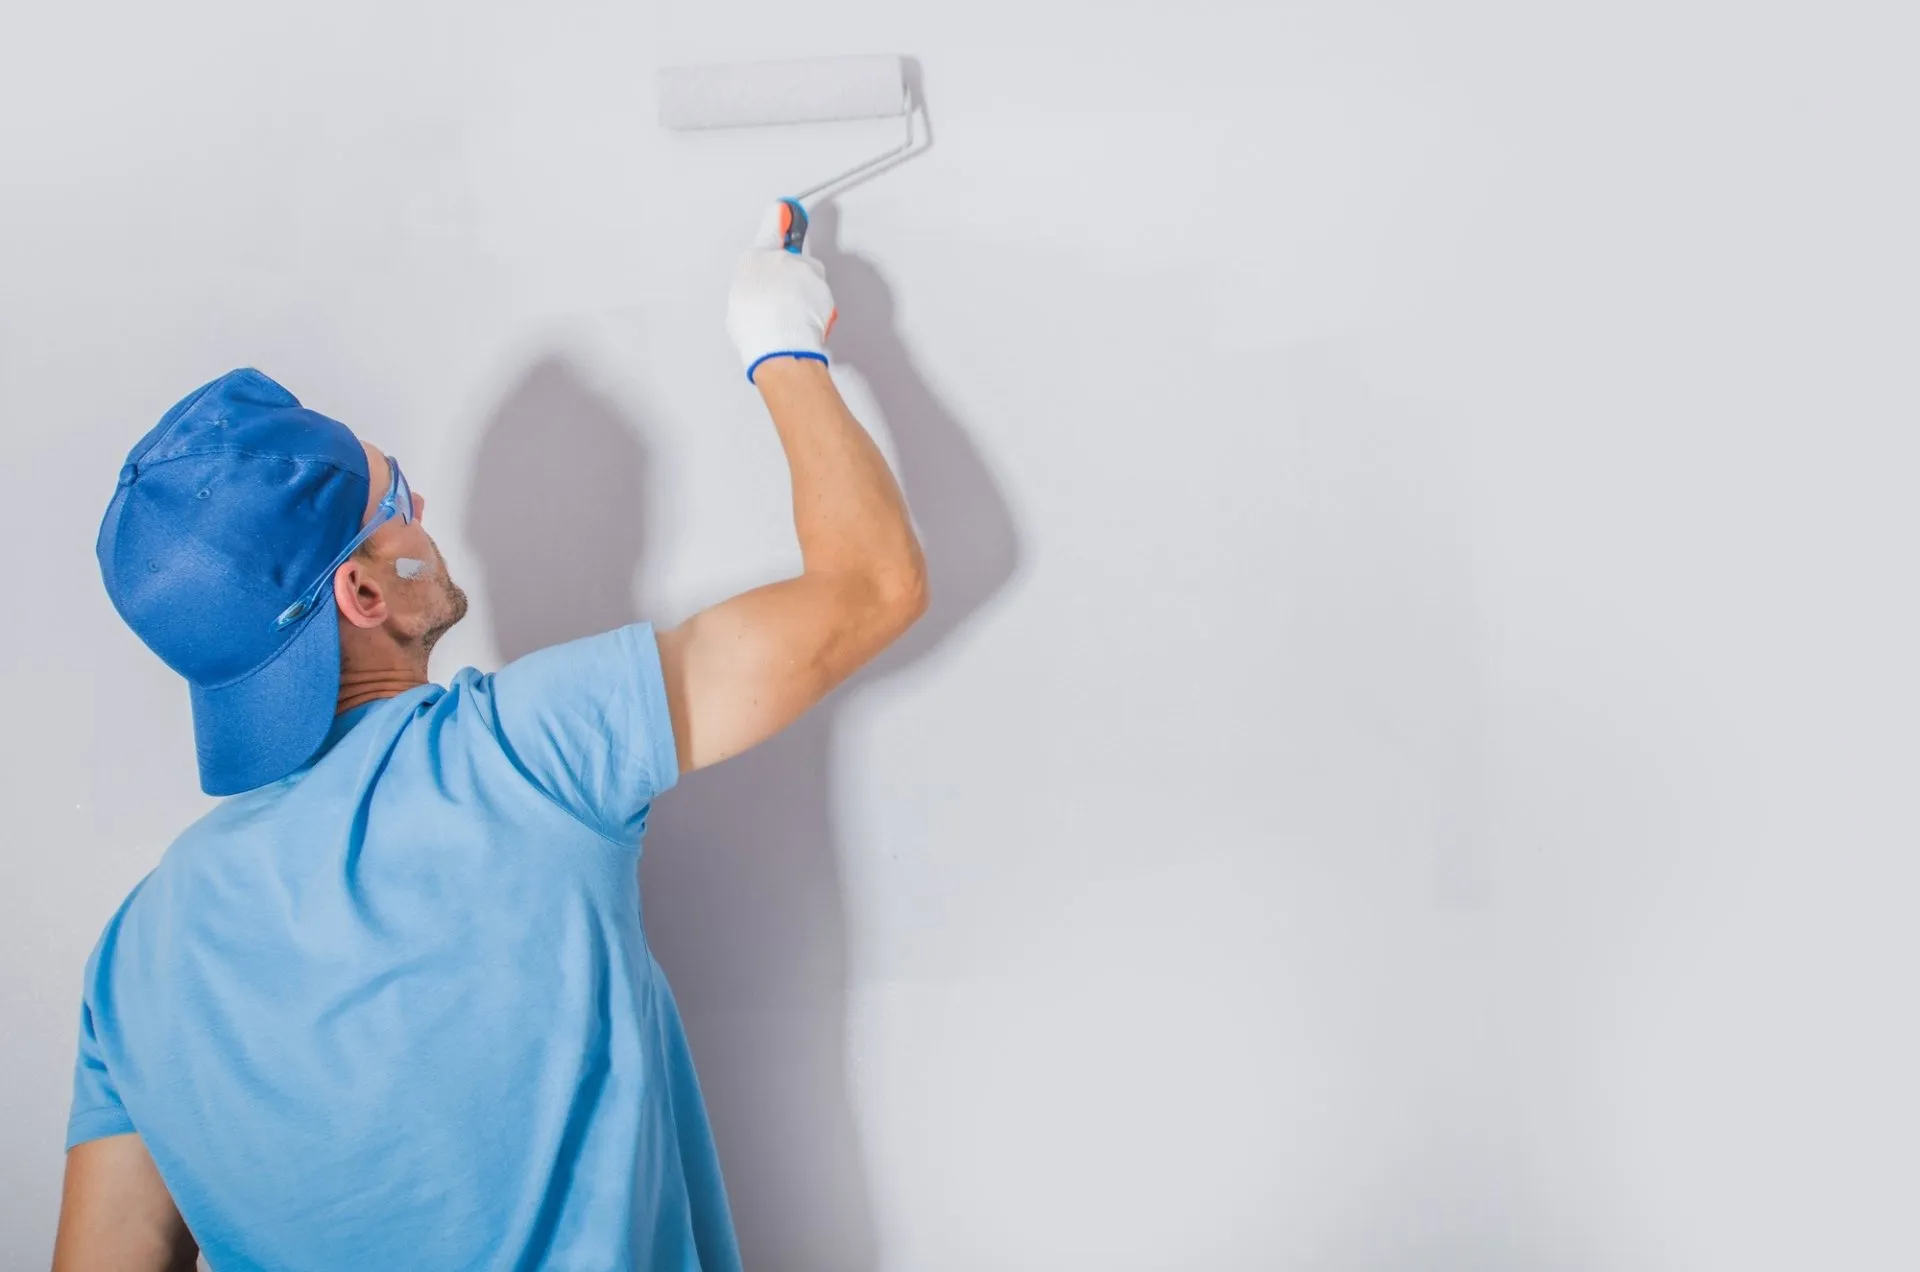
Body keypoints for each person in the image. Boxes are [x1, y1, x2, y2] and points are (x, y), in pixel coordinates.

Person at [51, 203, 926, 1272]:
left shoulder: (132, 957)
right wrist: (780, 341)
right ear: (365, 590)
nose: (428, 519)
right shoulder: (528, 751)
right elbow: (871, 586)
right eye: (399, 500)